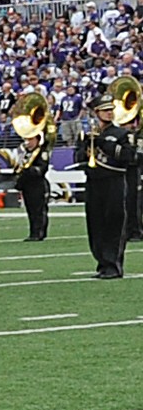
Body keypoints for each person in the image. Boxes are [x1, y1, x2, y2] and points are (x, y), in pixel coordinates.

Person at [86, 97, 135, 280]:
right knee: (95, 224)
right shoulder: (89, 133)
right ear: (96, 112)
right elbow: (80, 157)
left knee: (113, 223)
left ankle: (113, 265)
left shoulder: (122, 133)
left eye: (110, 109)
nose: (109, 112)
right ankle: (102, 263)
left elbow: (129, 156)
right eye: (104, 110)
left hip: (114, 180)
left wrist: (104, 143)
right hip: (94, 183)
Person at [10, 124, 52, 242]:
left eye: (30, 139)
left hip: (38, 185)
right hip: (27, 185)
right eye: (26, 139)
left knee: (39, 210)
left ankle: (39, 232)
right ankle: (33, 232)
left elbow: (42, 169)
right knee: (30, 210)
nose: (27, 142)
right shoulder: (24, 153)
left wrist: (28, 169)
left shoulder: (41, 152)